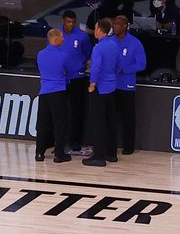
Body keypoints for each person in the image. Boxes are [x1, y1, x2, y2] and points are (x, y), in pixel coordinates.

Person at [85, 21, 123, 167]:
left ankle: (98, 156)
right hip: (112, 86)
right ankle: (111, 154)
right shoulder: (114, 45)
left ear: (100, 30)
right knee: (110, 121)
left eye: (95, 28)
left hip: (100, 88)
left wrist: (92, 83)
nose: (94, 30)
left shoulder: (99, 47)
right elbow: (119, 65)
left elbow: (96, 67)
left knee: (98, 122)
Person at [35, 28, 73, 163]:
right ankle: (59, 154)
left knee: (42, 123)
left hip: (44, 93)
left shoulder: (40, 54)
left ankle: (39, 153)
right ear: (56, 39)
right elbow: (71, 70)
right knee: (59, 124)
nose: (63, 39)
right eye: (62, 37)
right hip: (58, 92)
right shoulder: (63, 55)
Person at [111, 15, 147, 154]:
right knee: (111, 117)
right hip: (111, 85)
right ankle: (111, 145)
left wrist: (125, 69)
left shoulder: (135, 43)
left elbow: (141, 64)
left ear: (125, 26)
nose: (115, 27)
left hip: (127, 86)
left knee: (127, 117)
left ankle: (128, 146)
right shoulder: (110, 41)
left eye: (118, 25)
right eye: (114, 24)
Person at [61, 10, 94, 149]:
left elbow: (88, 53)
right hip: (61, 78)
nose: (71, 24)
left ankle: (74, 141)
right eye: (68, 22)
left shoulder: (82, 37)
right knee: (60, 110)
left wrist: (80, 65)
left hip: (77, 79)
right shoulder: (57, 34)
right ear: (63, 21)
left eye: (73, 22)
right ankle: (60, 140)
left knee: (76, 110)